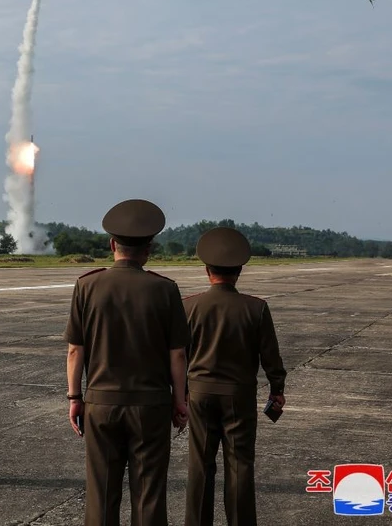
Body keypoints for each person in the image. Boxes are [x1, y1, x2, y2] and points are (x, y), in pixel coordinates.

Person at [64, 199, 190, 526]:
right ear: (149, 249)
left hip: (101, 403)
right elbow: (177, 354)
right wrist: (180, 401)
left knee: (101, 494)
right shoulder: (165, 289)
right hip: (151, 406)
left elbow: (75, 350)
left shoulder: (87, 286)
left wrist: (74, 397)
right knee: (149, 494)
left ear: (111, 245)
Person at [183, 227, 287, 526]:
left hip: (199, 394)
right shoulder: (256, 308)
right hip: (239, 396)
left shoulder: (189, 306)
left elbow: (178, 355)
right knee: (240, 466)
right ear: (239, 271)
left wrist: (179, 393)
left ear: (207, 270)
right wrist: (277, 389)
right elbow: (271, 357)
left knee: (200, 467)